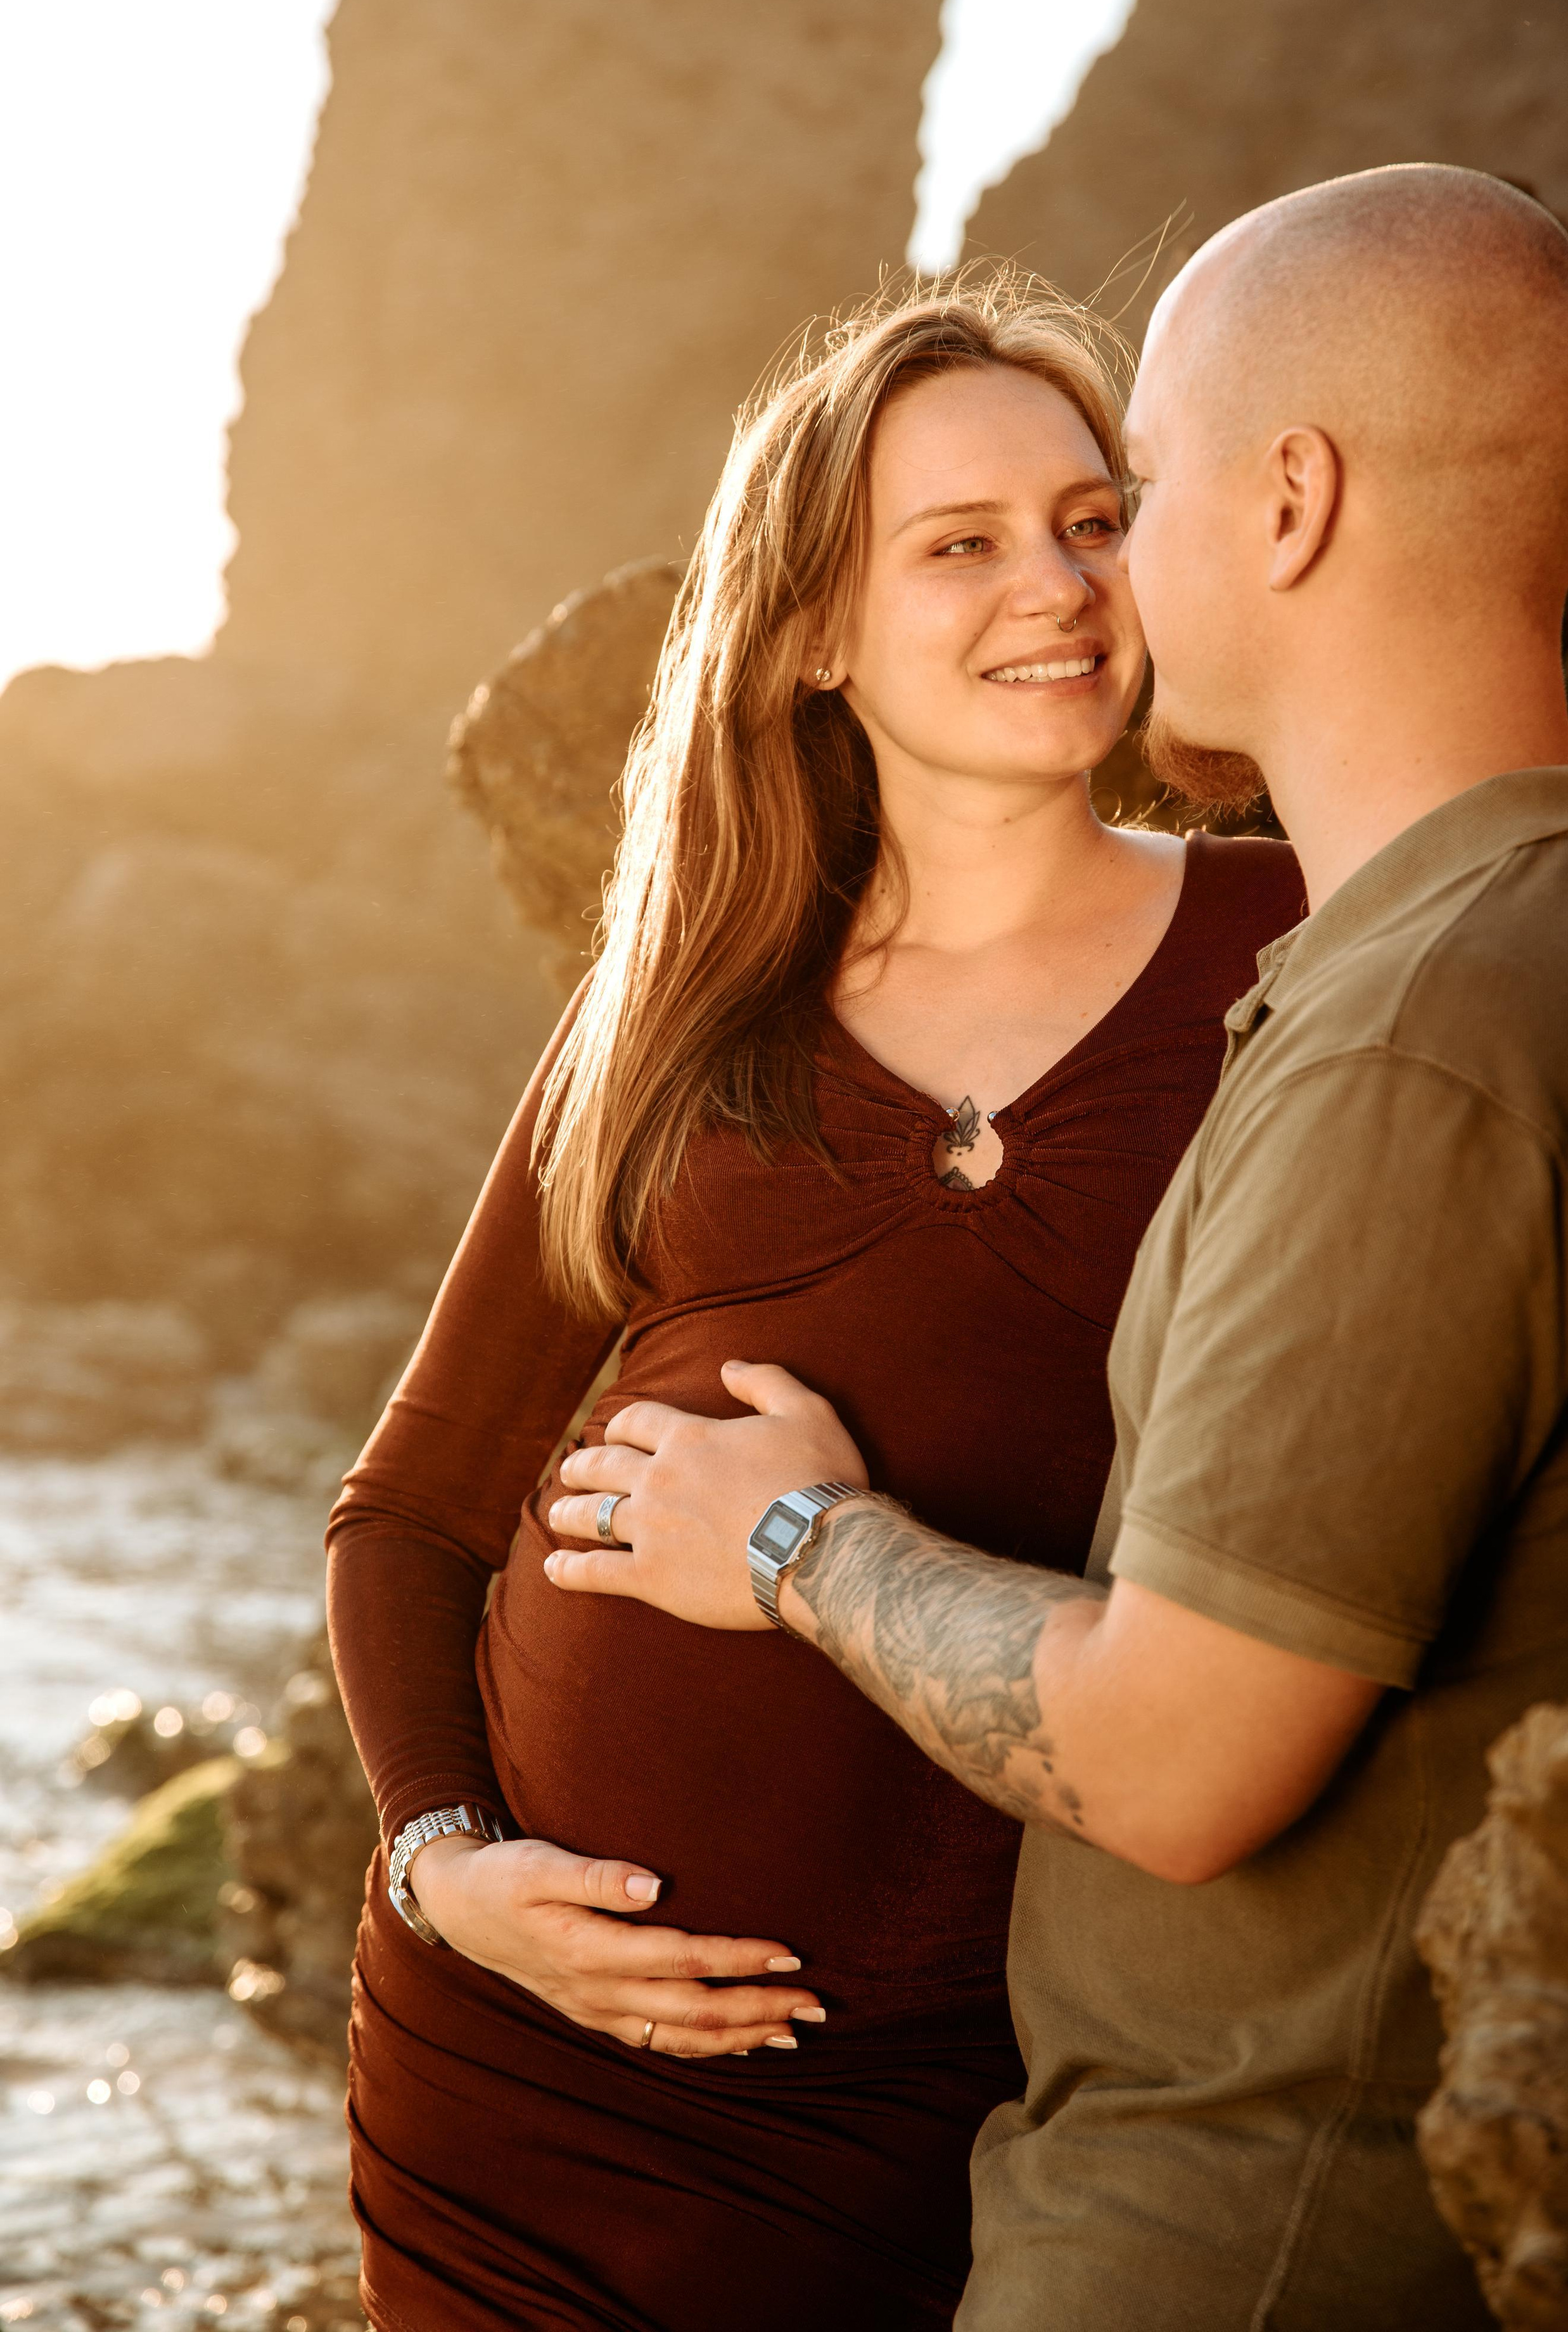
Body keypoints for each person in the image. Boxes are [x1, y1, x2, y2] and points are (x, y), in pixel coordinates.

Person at [547, 166, 1568, 2330]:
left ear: (1291, 502)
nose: (1106, 560)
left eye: (1138, 487)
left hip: (1237, 2229)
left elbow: (1181, 1758)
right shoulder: (1485, 947)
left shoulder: (1424, 1030)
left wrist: (796, 1545)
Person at [325, 268, 1306, 2332]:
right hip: (508, 2071)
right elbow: (408, 1518)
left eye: (1094, 517)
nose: (1053, 583)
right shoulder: (679, 1012)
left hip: (958, 2095)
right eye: (958, 544)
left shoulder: (1298, 943)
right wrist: (451, 1874)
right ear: (811, 637)